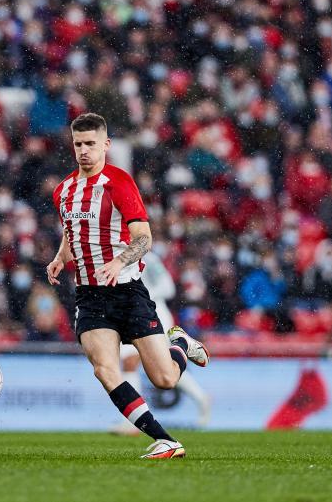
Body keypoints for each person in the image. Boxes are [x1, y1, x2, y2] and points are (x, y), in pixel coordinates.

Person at [46, 113, 210, 459]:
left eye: (91, 143)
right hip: (90, 296)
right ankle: (165, 439)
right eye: (78, 144)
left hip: (128, 291)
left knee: (164, 379)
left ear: (105, 144)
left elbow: (144, 238)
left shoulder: (119, 183)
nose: (84, 151)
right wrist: (61, 257)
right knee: (105, 370)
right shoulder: (63, 191)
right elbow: (71, 230)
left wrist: (119, 261)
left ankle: (178, 342)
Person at [111, 251, 211, 435]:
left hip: (153, 313)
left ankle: (201, 398)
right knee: (129, 363)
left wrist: (143, 296)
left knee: (163, 368)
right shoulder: (107, 253)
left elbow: (168, 287)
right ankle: (134, 421)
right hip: (127, 316)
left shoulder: (147, 257)